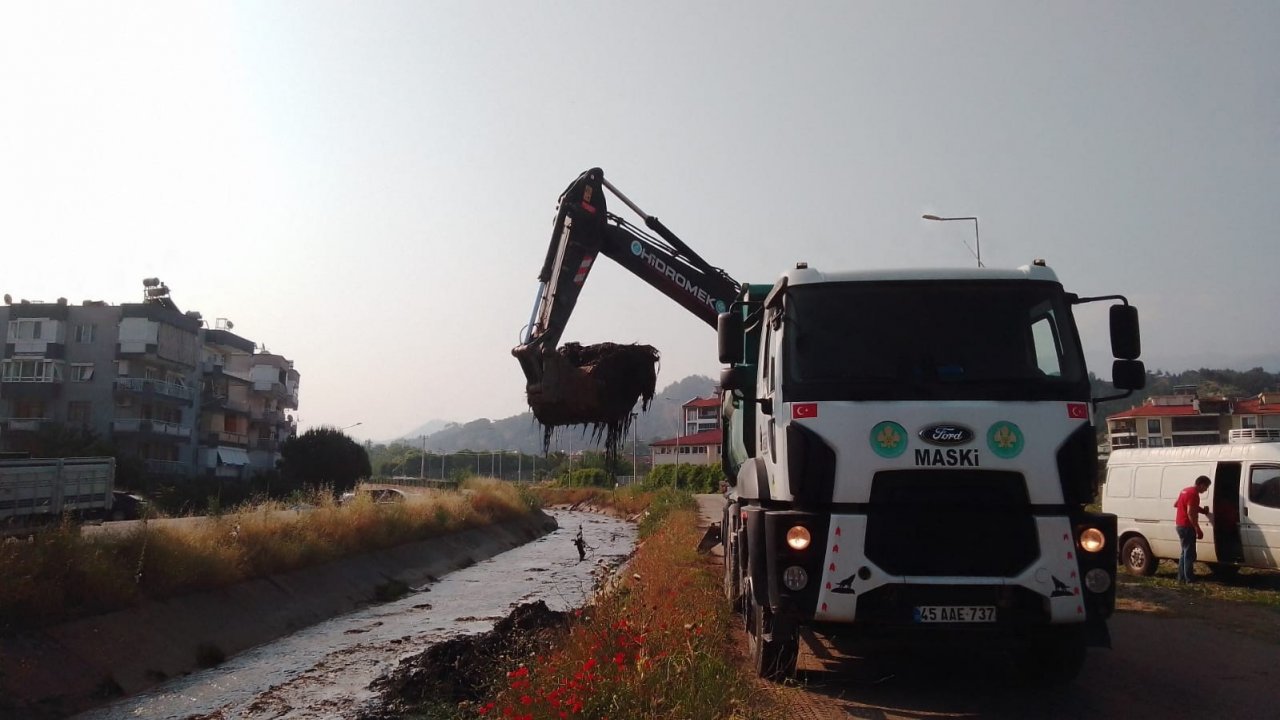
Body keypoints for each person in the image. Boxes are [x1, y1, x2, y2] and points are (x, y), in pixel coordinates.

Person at [1174, 475, 1212, 583]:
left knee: (1184, 552)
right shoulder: (1194, 494)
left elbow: (1176, 504)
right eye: (1206, 487)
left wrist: (1202, 511)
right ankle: (1189, 579)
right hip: (1187, 526)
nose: (1206, 490)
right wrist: (1197, 528)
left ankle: (1181, 577)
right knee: (1189, 553)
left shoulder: (1185, 491)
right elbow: (1190, 513)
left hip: (1179, 524)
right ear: (1201, 484)